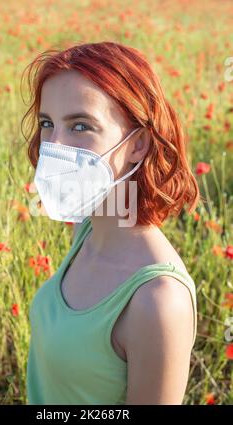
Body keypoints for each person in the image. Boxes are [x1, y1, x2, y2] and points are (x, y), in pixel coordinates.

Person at [22, 41, 200, 405]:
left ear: (138, 145)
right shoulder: (88, 230)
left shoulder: (159, 300)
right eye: (47, 123)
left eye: (80, 126)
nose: (53, 146)